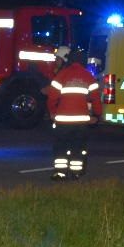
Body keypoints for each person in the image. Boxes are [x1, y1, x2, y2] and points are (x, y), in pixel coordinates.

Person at [46, 46, 102, 180]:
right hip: (81, 123)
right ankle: (76, 173)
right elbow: (96, 99)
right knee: (78, 147)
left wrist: (52, 112)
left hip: (62, 122)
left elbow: (52, 98)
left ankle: (60, 173)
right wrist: (96, 116)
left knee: (60, 147)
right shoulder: (88, 76)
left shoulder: (62, 75)